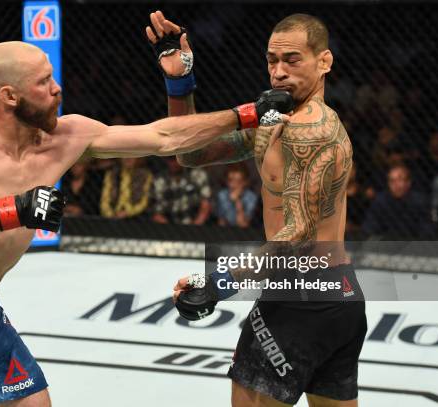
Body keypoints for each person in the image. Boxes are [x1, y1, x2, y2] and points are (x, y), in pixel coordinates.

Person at [0, 40, 293, 407]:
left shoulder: (67, 137)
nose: (57, 87)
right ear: (9, 95)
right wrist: (12, 211)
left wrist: (248, 114)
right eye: (43, 82)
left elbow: (163, 137)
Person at [146, 11, 366, 407]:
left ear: (325, 61)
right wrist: (179, 81)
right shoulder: (278, 118)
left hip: (299, 299)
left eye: (292, 59)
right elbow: (191, 153)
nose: (279, 71)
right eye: (272, 60)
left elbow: (296, 237)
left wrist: (216, 281)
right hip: (339, 295)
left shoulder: (312, 130)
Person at [362, 164, 434, 238]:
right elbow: (369, 227)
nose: (396, 185)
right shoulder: (380, 201)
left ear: (408, 183)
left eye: (400, 180)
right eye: (392, 181)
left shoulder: (420, 201)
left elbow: (427, 230)